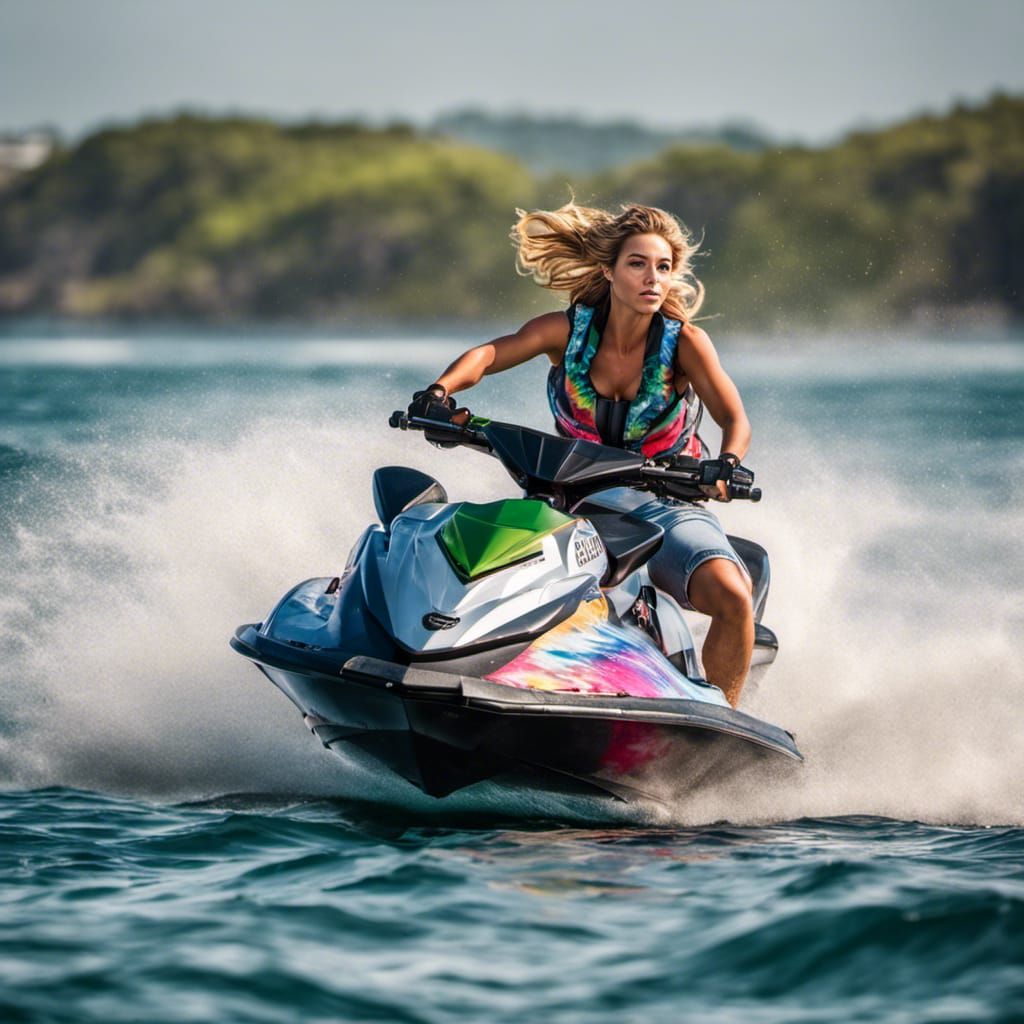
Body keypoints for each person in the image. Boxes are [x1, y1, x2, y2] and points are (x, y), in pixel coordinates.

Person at [407, 202, 754, 707]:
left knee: (732, 596)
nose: (652, 278)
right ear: (608, 271)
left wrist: (727, 464)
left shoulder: (686, 345)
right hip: (569, 502)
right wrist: (438, 393)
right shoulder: (566, 332)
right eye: (637, 264)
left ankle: (722, 722)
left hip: (665, 503)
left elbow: (733, 418)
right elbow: (489, 354)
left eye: (662, 267)